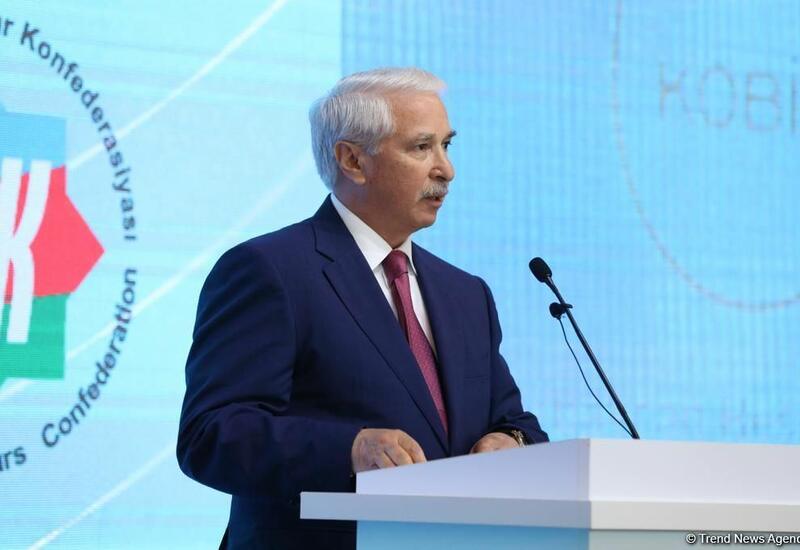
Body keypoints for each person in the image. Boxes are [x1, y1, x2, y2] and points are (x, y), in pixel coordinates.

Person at [177, 67, 548, 550]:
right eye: (421, 147)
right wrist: (350, 450)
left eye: (446, 145)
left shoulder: (465, 293)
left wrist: (509, 443)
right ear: (352, 160)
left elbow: (515, 421)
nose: (446, 170)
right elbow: (211, 435)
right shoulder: (270, 271)